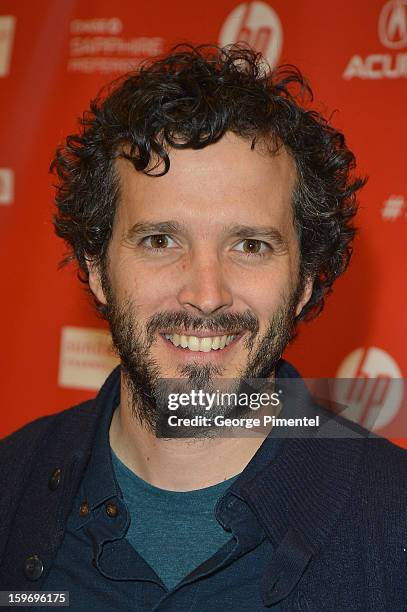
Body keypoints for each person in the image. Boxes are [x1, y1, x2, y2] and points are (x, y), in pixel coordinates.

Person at [0, 44, 406, 611]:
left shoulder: (395, 523)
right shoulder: (9, 491)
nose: (207, 295)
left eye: (251, 245)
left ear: (306, 281)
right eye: (161, 241)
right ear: (96, 269)